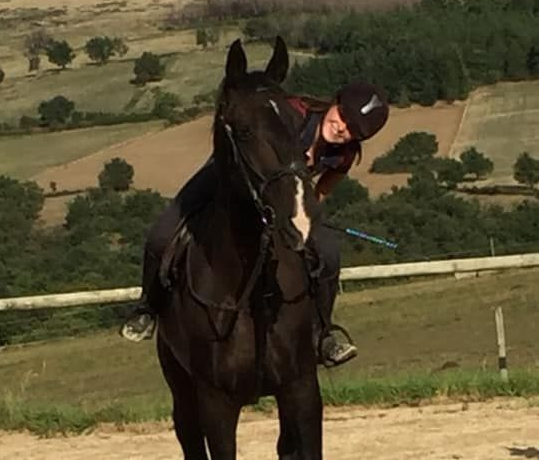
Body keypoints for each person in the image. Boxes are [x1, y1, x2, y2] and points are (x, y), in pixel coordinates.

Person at [120, 80, 389, 366]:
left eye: (353, 130)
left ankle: (322, 333)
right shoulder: (292, 113)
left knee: (329, 253)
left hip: (279, 201)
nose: (342, 128)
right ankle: (147, 308)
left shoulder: (344, 155)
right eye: (343, 116)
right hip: (228, 176)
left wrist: (301, 217)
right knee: (162, 233)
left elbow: (319, 192)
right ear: (334, 101)